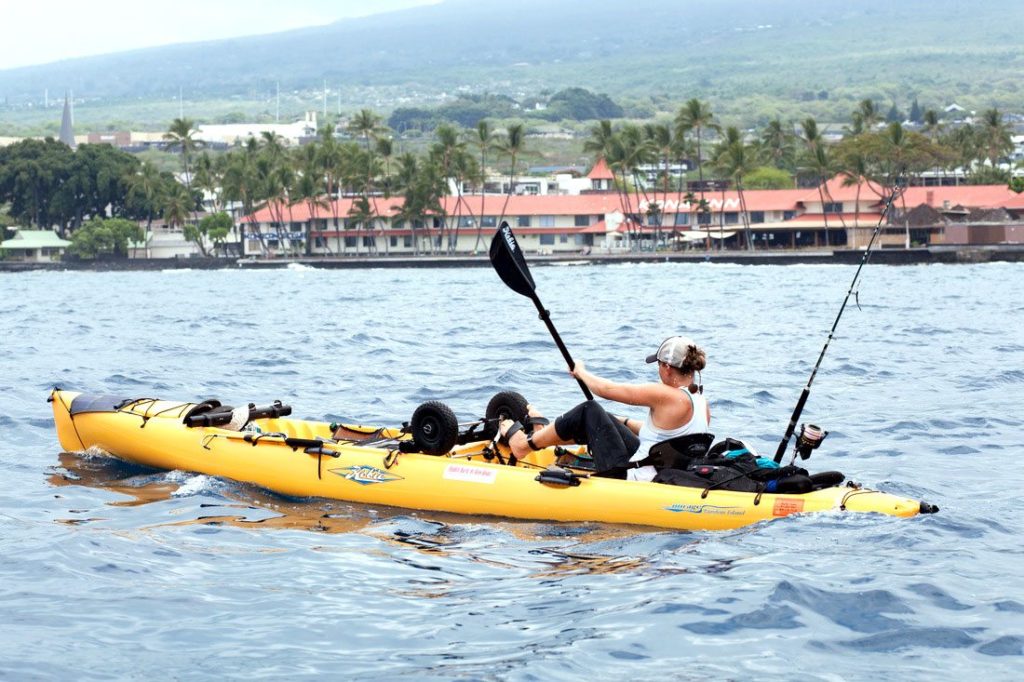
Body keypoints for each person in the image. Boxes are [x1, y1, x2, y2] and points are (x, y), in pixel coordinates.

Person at [499, 336, 711, 481]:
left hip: (632, 478)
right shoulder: (701, 402)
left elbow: (606, 389)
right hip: (662, 470)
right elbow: (665, 435)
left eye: (658, 365)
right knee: (604, 417)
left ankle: (523, 446)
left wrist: (581, 372)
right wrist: (620, 421)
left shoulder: (666, 394)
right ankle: (541, 436)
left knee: (589, 409)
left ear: (666, 367)